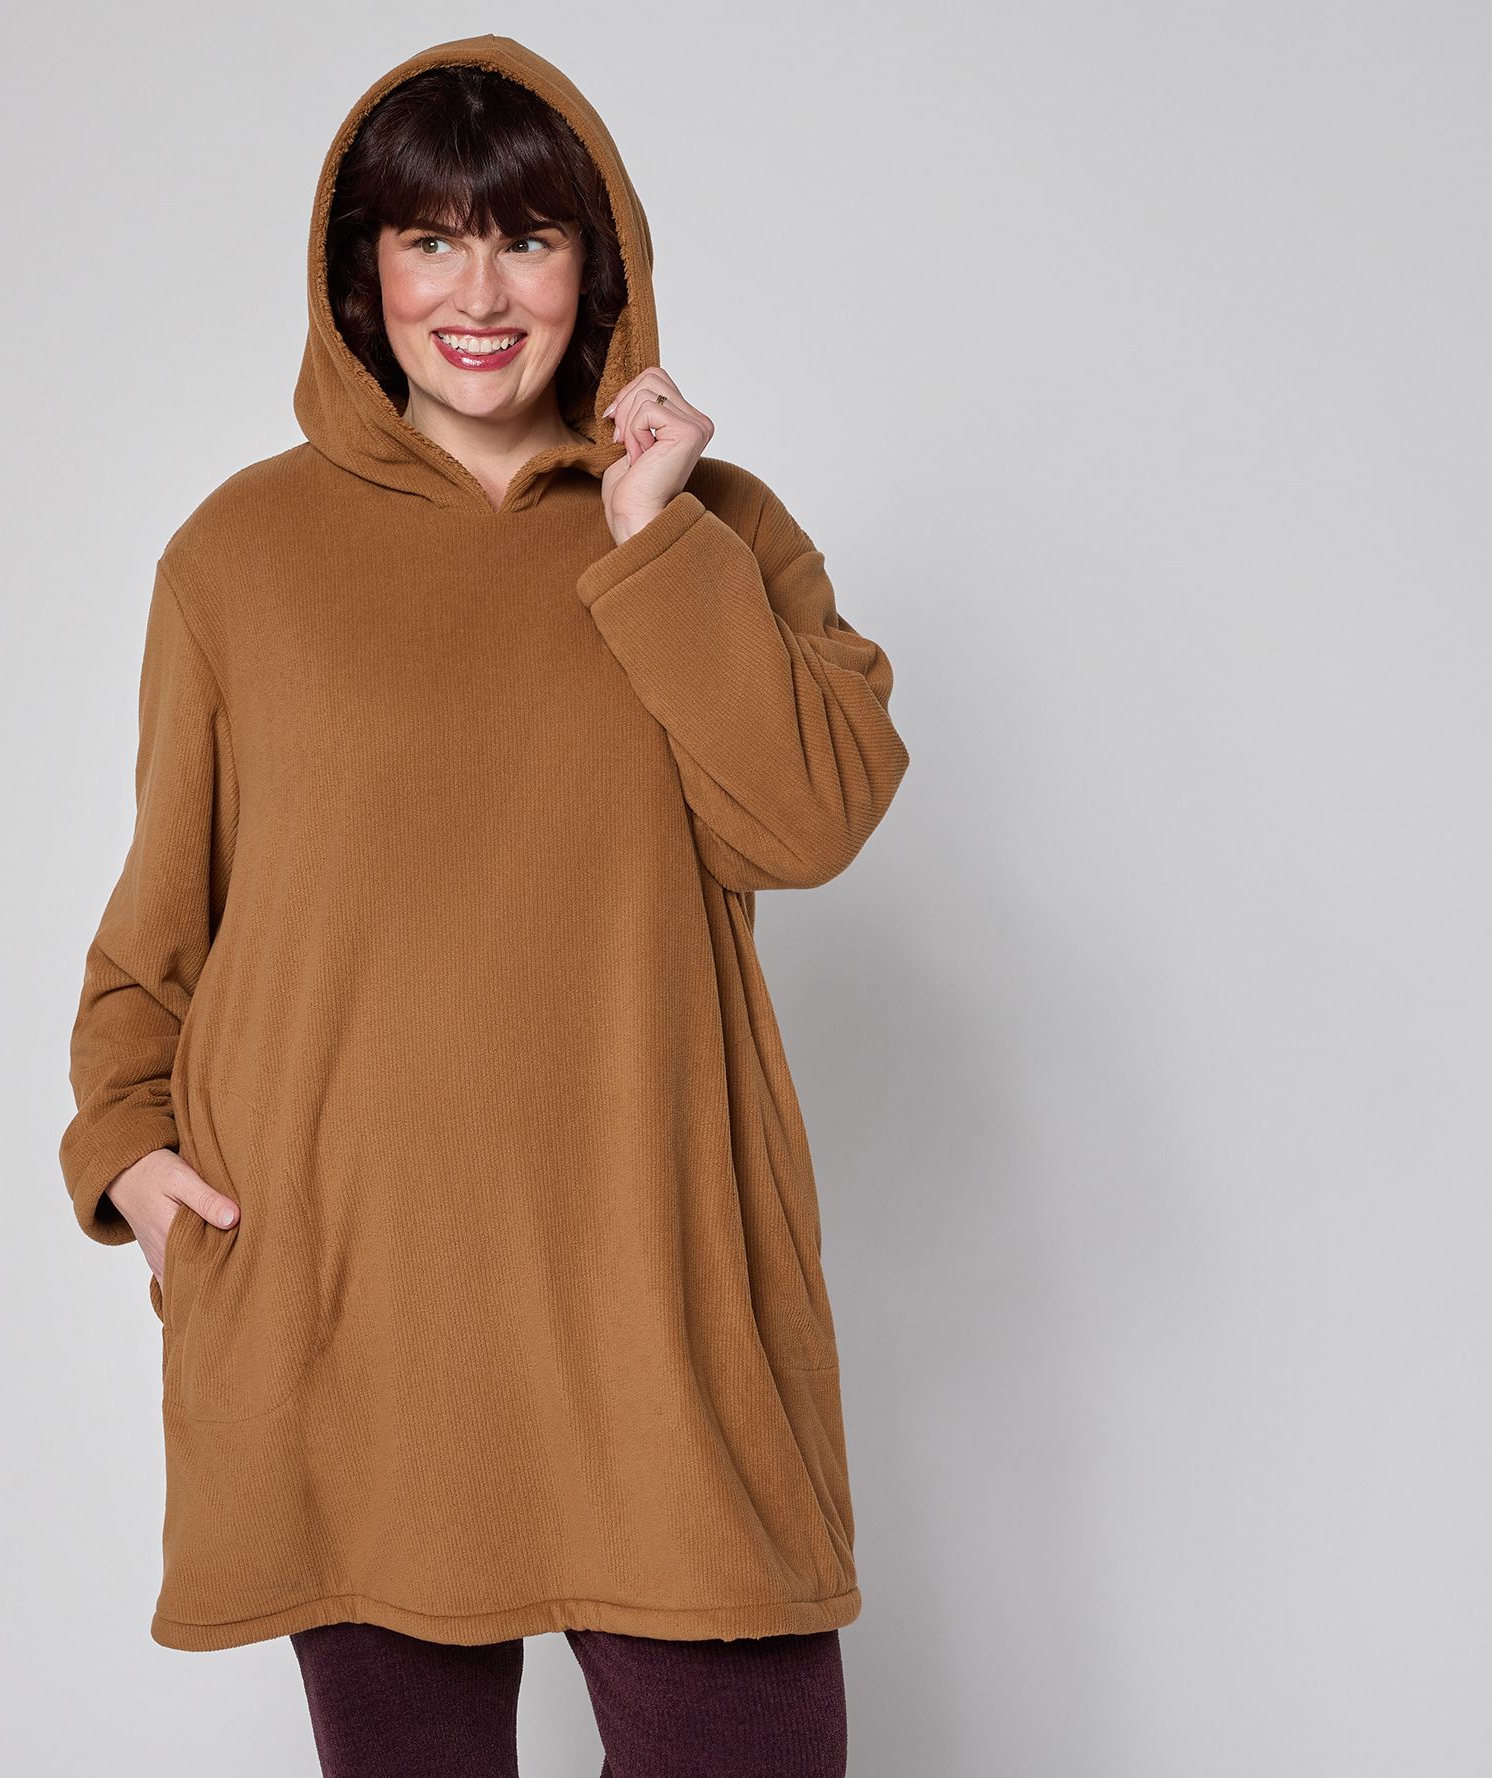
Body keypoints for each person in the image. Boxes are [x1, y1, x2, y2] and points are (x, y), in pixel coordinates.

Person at [58, 33, 910, 1778]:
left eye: (526, 238)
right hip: (348, 1292)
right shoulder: (237, 559)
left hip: (650, 1280)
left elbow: (812, 816)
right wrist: (126, 1150)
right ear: (361, 276)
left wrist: (652, 533)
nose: (479, 291)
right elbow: (162, 925)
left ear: (597, 264)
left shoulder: (716, 530)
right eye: (431, 240)